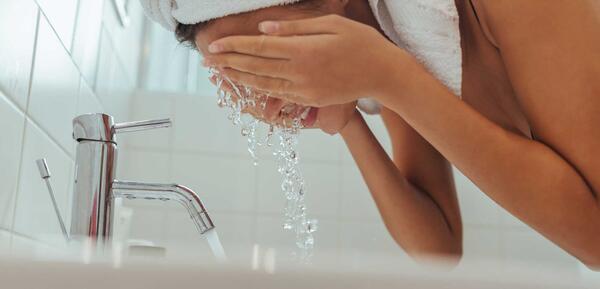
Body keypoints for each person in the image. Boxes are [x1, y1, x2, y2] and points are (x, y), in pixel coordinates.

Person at [140, 0, 600, 268]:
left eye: (269, 62)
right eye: (244, 78)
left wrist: (392, 79)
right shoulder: (390, 36)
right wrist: (349, 120)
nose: (269, 97)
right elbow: (438, 248)